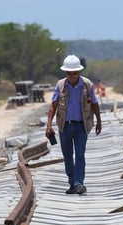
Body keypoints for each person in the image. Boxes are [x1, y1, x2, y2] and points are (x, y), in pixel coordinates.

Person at [45, 54, 102, 195]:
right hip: (65, 126)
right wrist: (49, 125)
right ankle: (72, 182)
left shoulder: (87, 85)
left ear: (79, 72)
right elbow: (53, 106)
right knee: (68, 155)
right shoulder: (60, 85)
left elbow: (94, 104)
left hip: (82, 126)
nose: (72, 76)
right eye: (69, 74)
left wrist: (99, 122)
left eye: (75, 73)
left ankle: (79, 183)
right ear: (65, 73)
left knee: (80, 154)